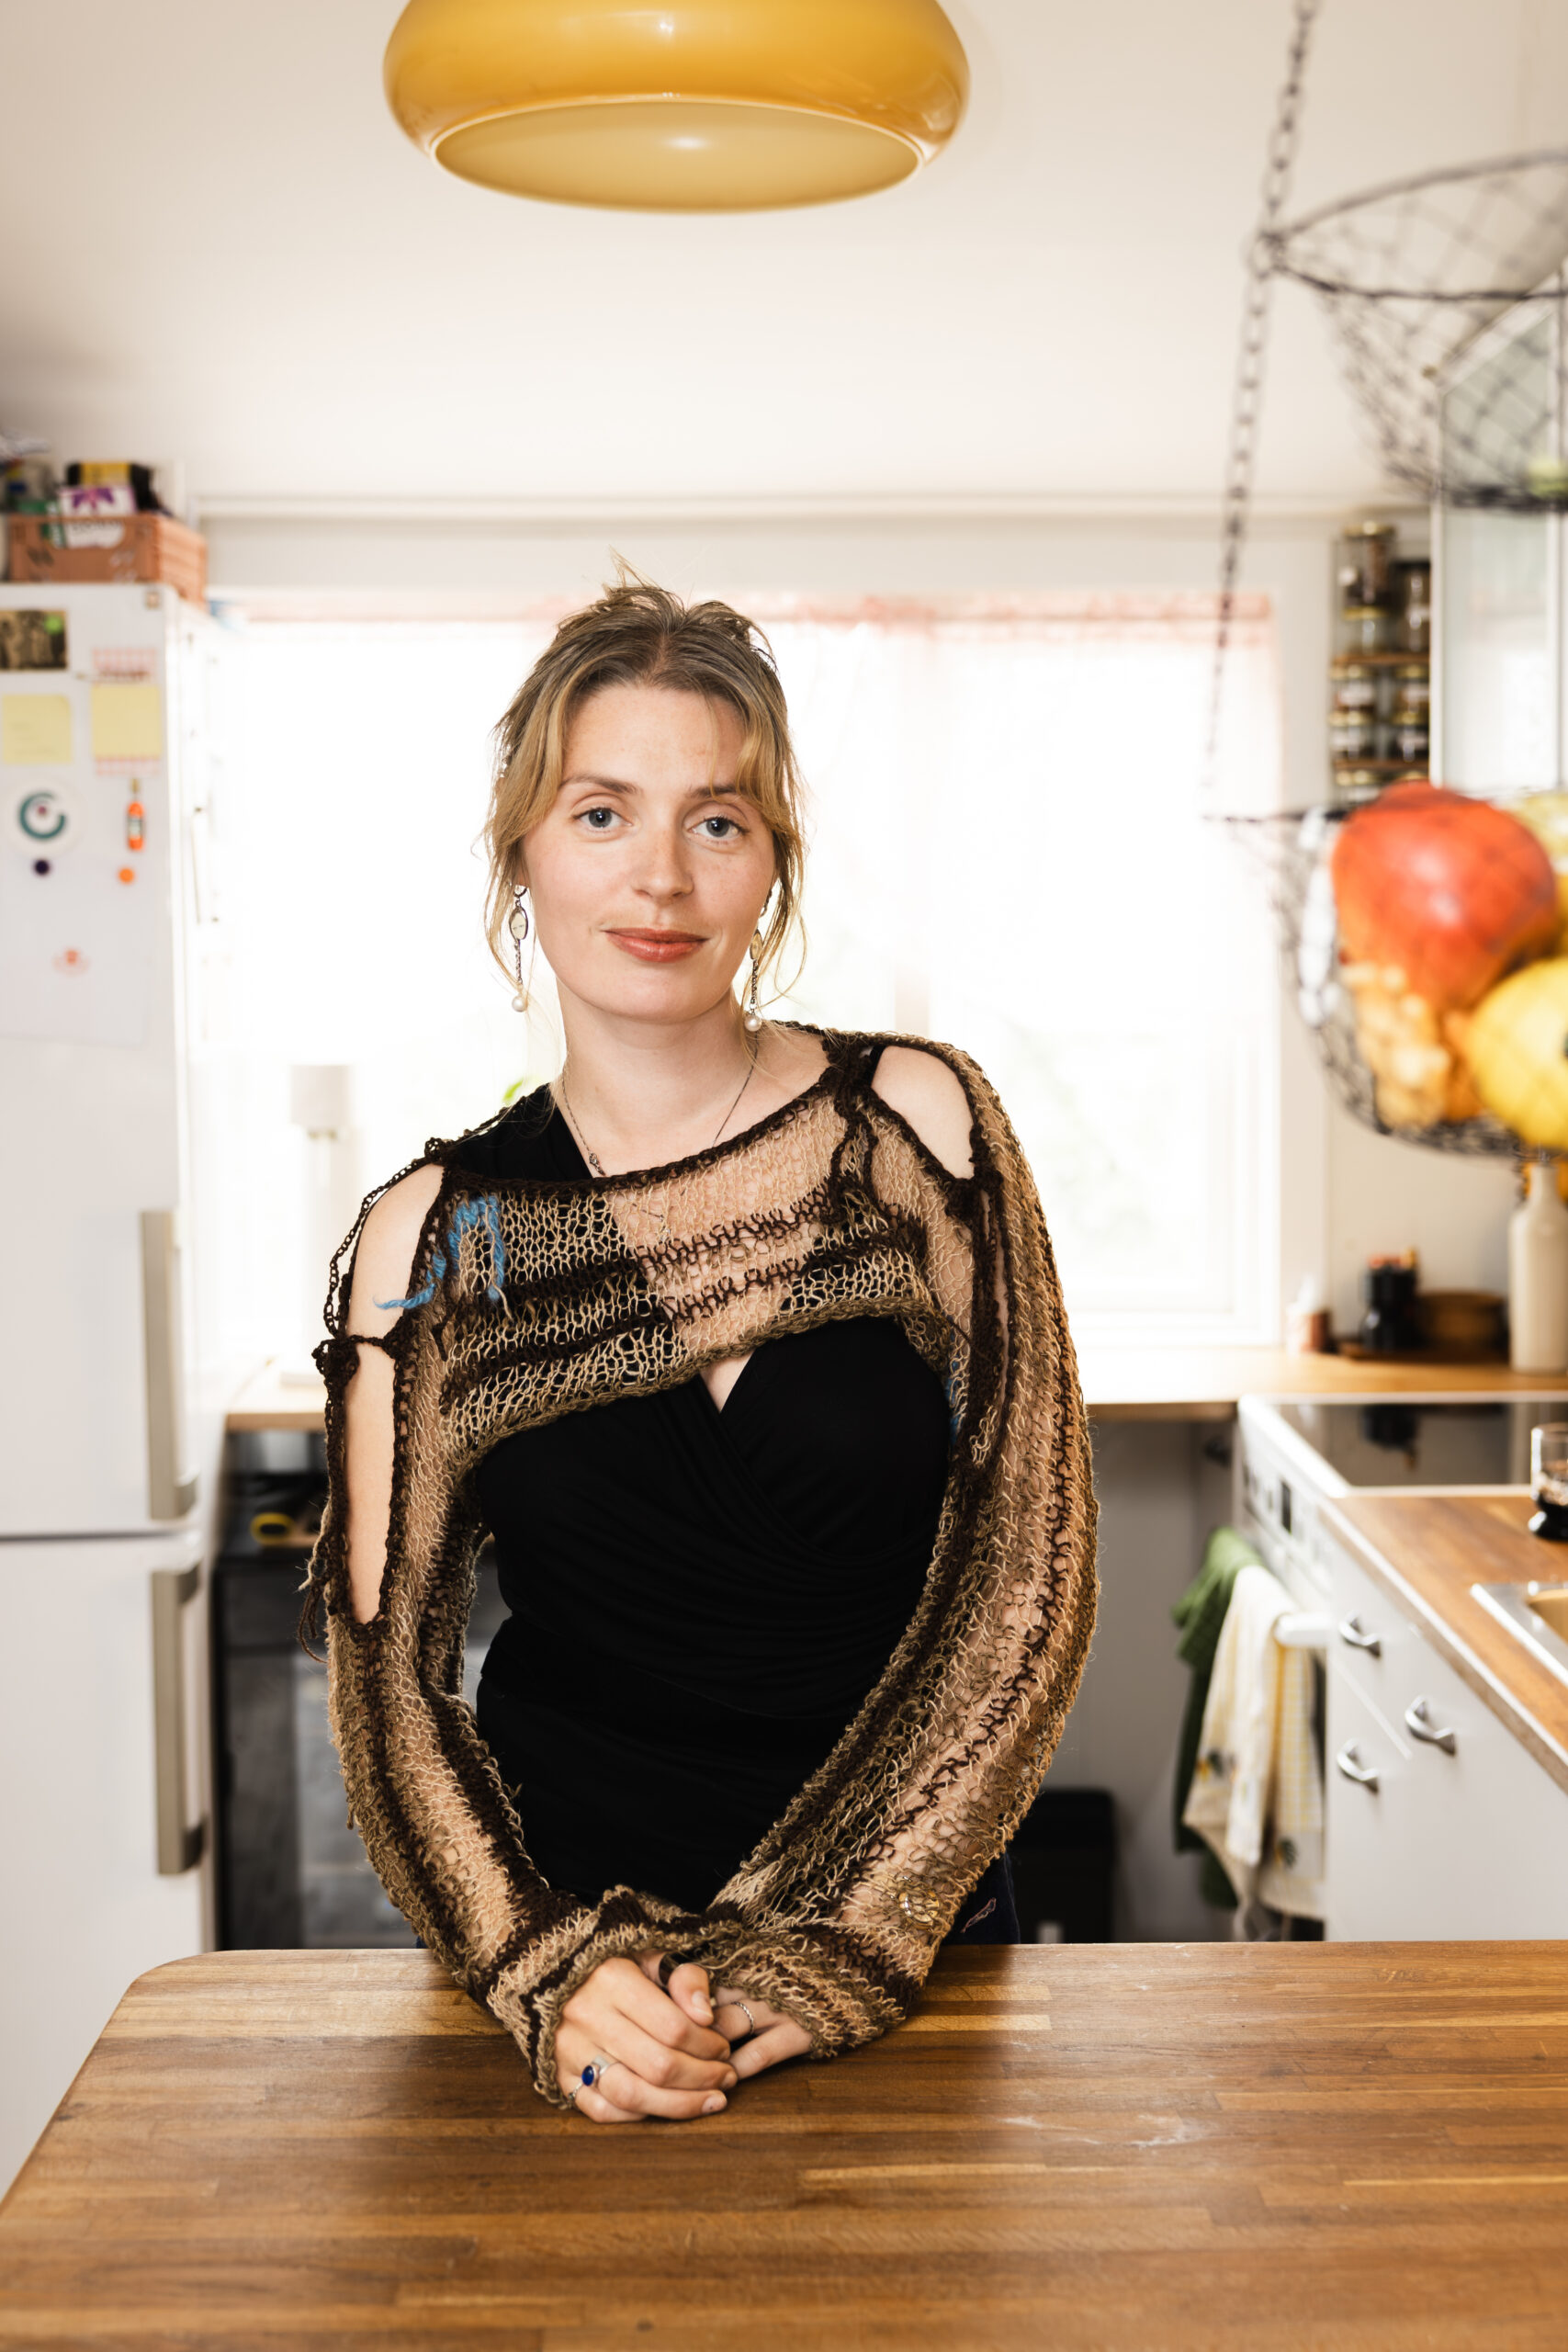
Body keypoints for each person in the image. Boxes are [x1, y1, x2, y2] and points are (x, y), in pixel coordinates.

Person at [300, 577, 1097, 2125]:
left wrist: (844, 1934)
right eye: (602, 814)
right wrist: (542, 1966)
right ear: (521, 850)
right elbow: (390, 1692)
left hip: (909, 1949)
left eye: (717, 821)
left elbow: (1032, 1559)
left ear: (772, 861)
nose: (660, 876)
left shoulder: (912, 1127)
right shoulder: (437, 1241)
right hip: (586, 1989)